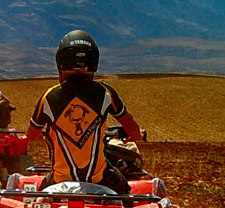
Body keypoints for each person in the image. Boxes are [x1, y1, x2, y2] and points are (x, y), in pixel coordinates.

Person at [26, 30, 143, 194]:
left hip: (60, 181)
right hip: (100, 180)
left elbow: (31, 135)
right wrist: (133, 135)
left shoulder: (49, 97)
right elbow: (133, 129)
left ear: (60, 61)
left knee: (38, 198)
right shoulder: (105, 93)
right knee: (125, 190)